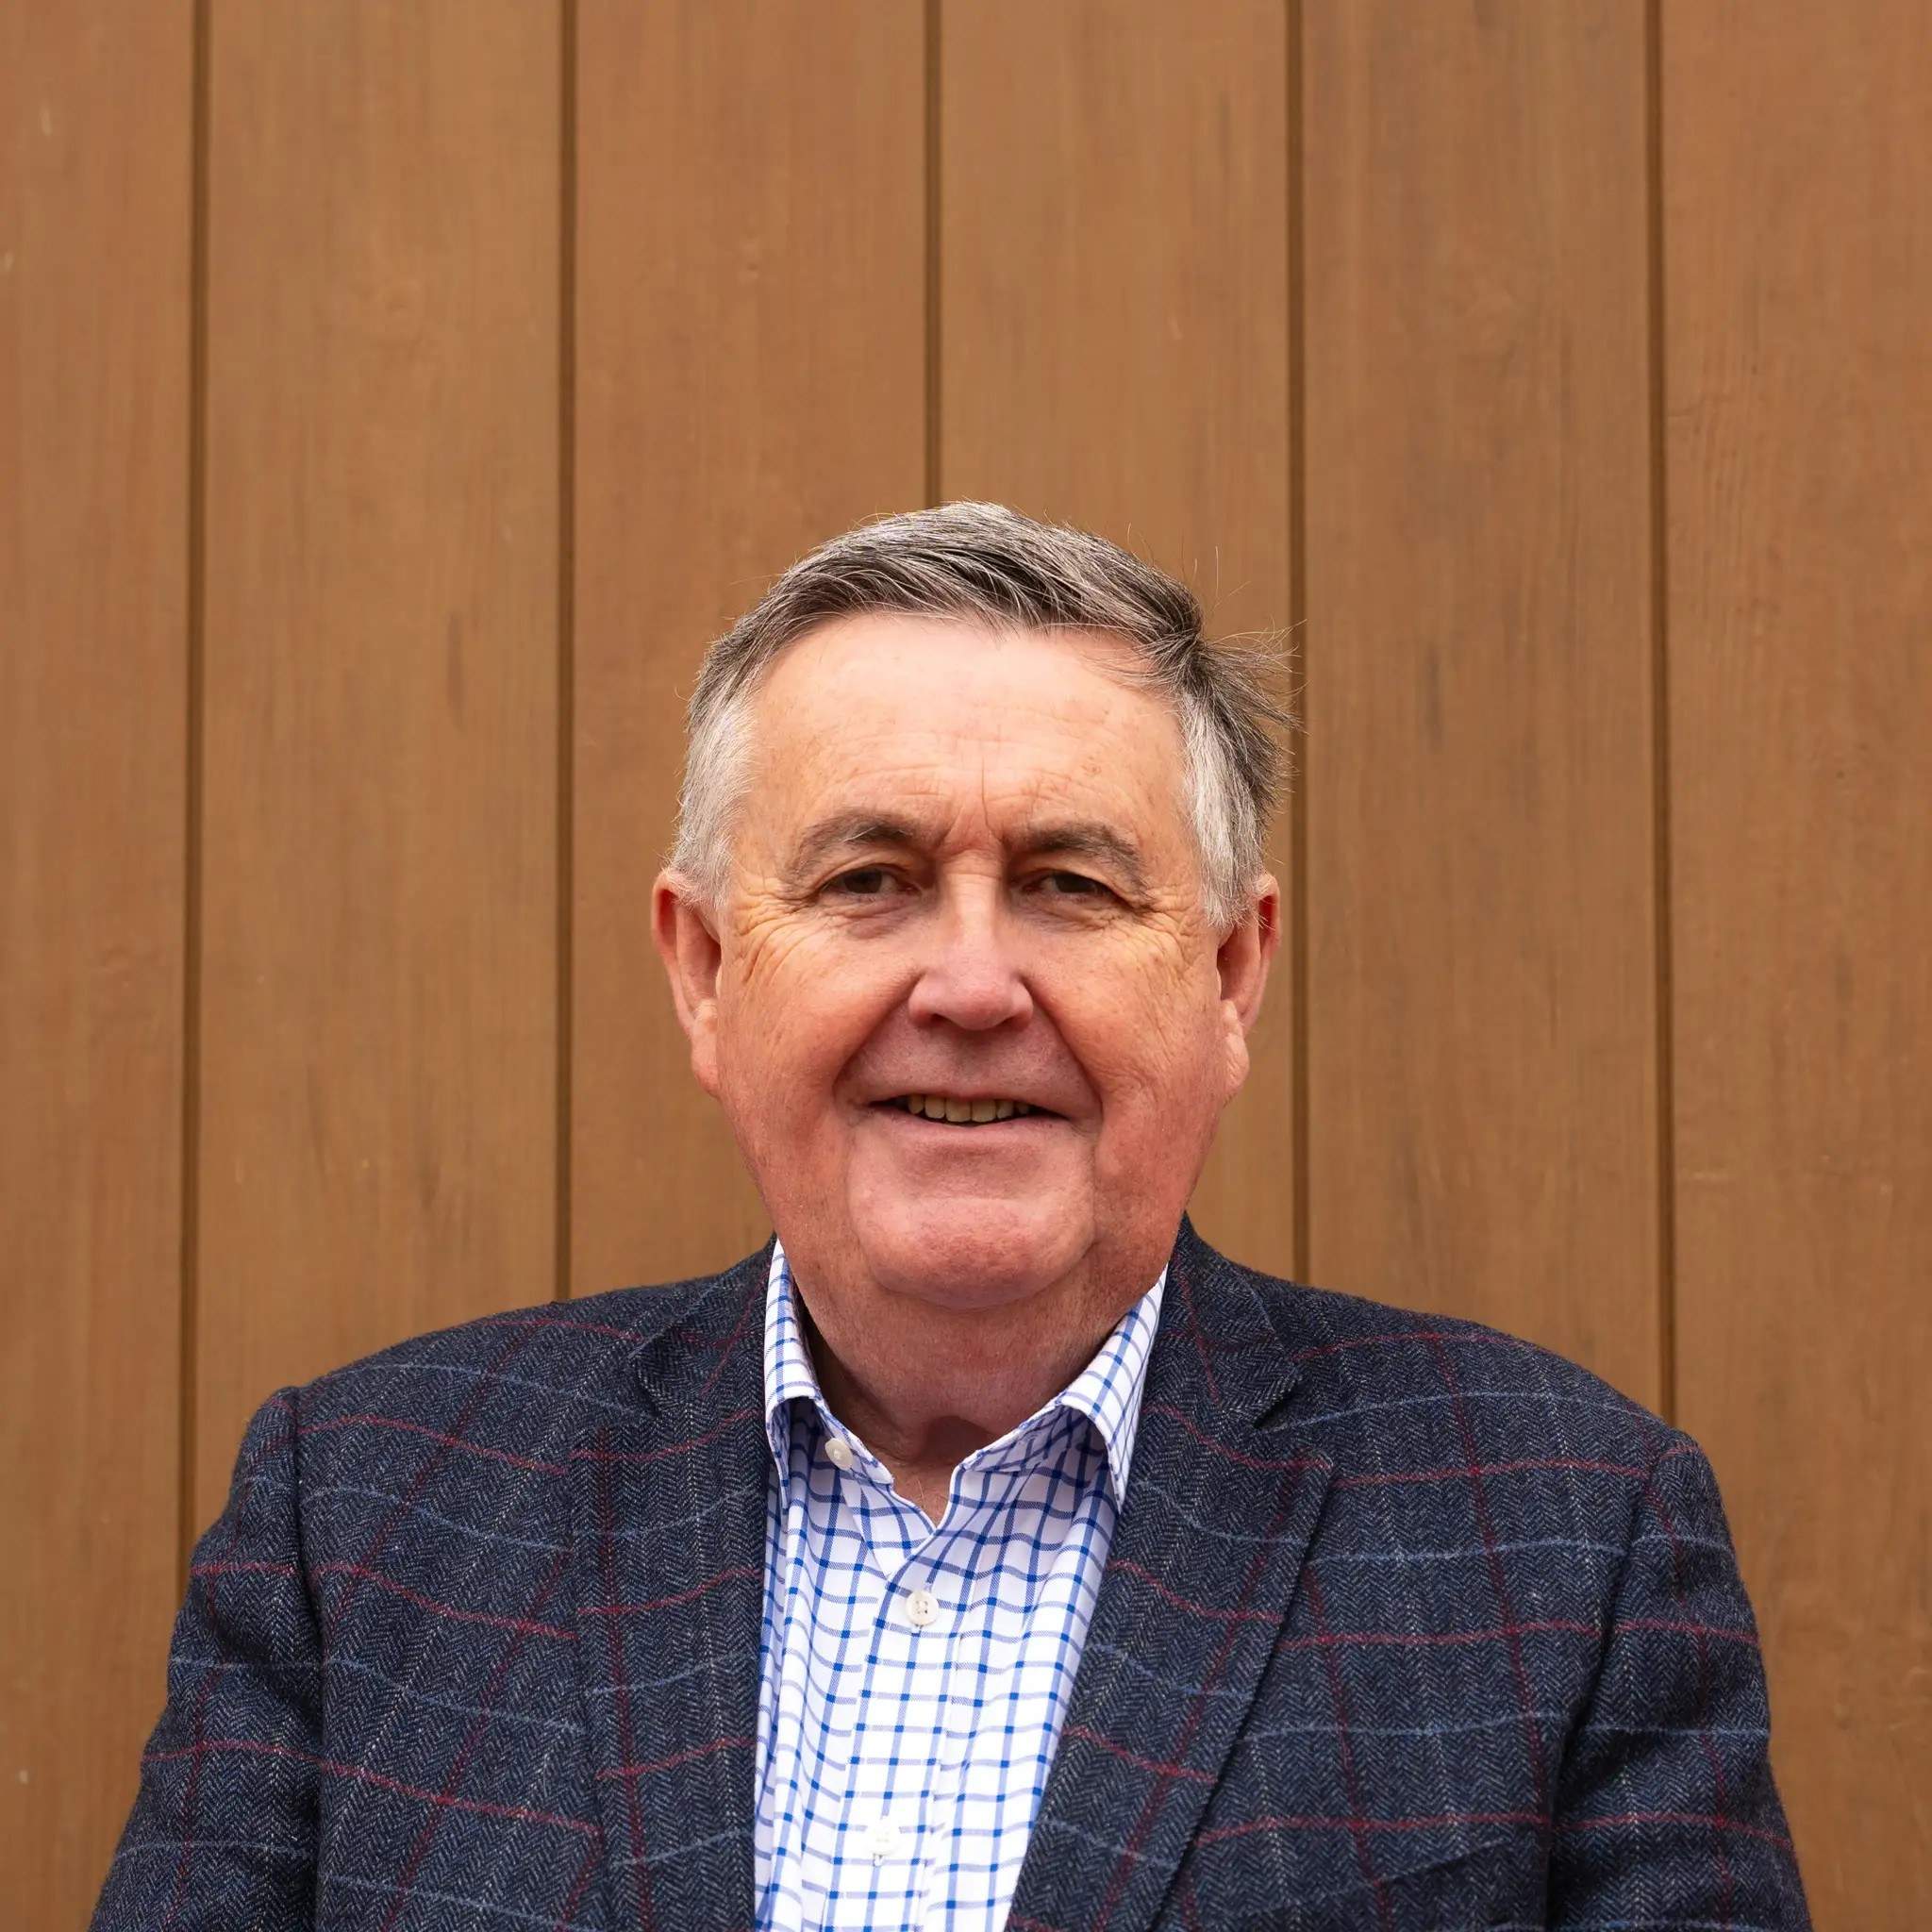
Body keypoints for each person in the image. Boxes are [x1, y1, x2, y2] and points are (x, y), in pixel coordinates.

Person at [92, 503, 1811, 1930]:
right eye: (871, 882)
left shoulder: (1566, 1542)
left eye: (1070, 884)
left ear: (1230, 975)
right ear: (705, 972)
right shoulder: (363, 1518)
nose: (973, 986)